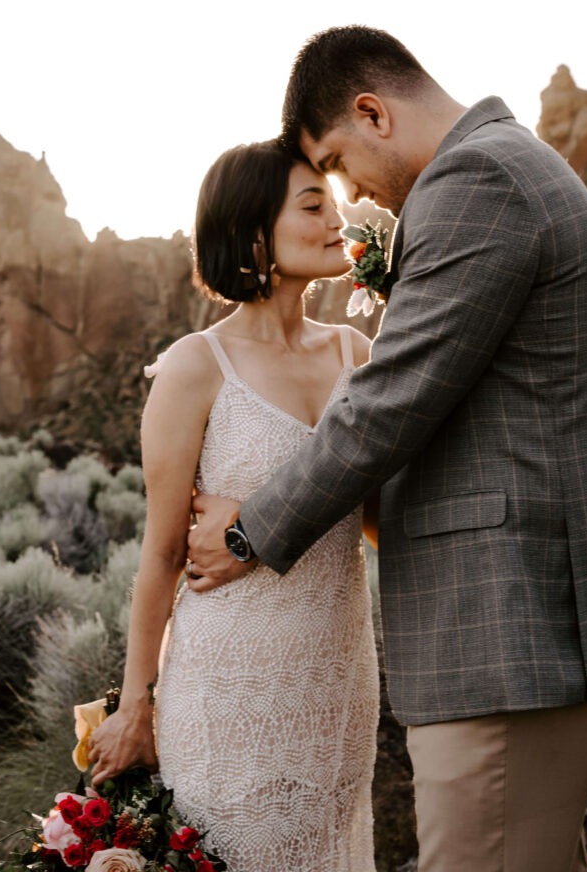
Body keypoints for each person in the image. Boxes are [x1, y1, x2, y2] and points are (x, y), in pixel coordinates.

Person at [186, 26, 587, 872]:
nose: (353, 192)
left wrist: (249, 531)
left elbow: (389, 400)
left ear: (371, 112)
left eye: (339, 164)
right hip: (525, 629)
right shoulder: (505, 166)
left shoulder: (478, 180)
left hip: (505, 630)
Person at [87, 138, 380, 872]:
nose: (335, 218)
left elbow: (376, 522)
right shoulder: (194, 366)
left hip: (337, 687)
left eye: (333, 201)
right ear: (254, 233)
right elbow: (159, 555)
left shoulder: (357, 354)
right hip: (227, 690)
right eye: (312, 205)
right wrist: (134, 706)